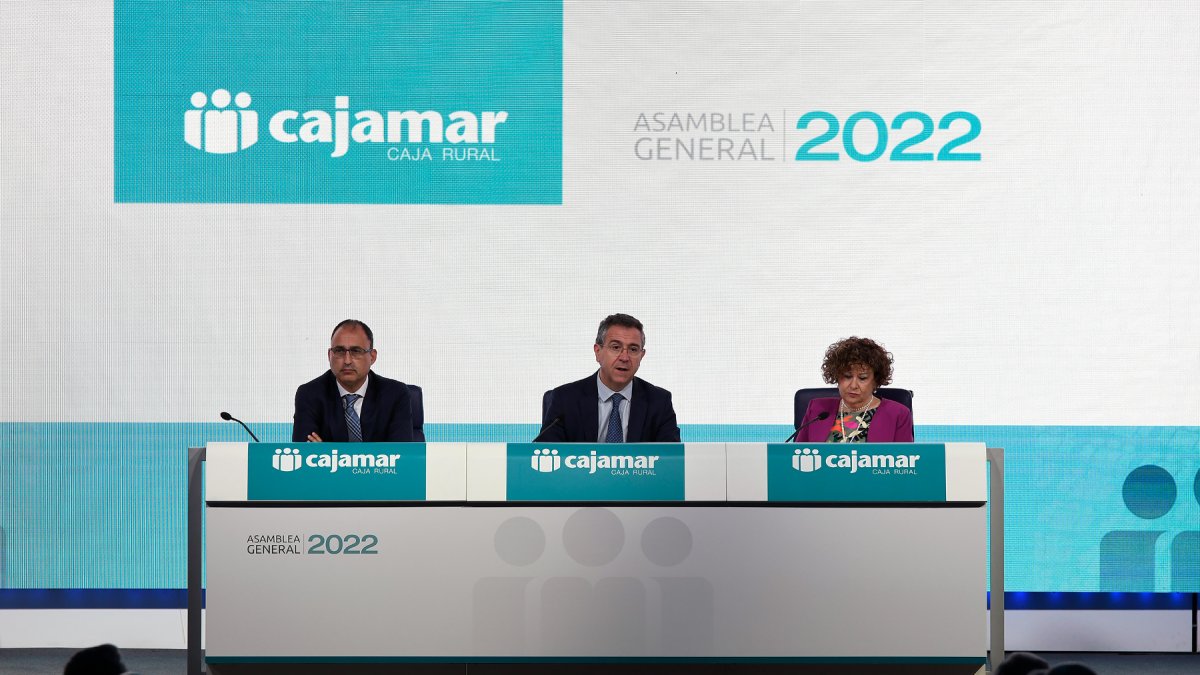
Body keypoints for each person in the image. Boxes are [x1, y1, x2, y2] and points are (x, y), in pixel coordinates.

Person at [537, 313, 680, 443]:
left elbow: (672, 458)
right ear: (598, 352)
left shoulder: (659, 401)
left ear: (641, 356)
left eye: (633, 349)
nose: (624, 357)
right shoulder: (564, 399)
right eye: (616, 347)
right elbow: (546, 455)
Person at [292, 320, 414, 443]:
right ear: (330, 355)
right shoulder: (309, 395)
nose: (347, 361)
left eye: (356, 351)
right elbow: (304, 452)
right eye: (339, 351)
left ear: (372, 356)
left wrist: (327, 451)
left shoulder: (395, 394)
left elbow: (401, 452)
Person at [796, 336, 913, 443]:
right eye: (847, 376)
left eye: (862, 378)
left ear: (876, 380)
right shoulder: (817, 409)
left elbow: (905, 457)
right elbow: (796, 454)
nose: (853, 385)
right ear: (837, 376)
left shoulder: (898, 414)